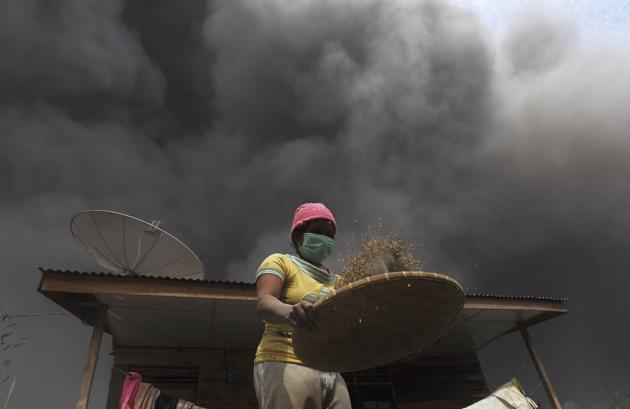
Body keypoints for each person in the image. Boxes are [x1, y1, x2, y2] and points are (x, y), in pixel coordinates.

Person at [253, 202, 352, 409]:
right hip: (285, 358)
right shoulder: (281, 262)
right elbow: (265, 302)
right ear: (298, 237)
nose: (325, 238)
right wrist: (290, 311)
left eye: (330, 235)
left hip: (330, 367)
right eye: (317, 231)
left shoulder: (339, 281)